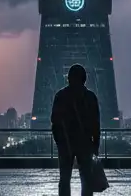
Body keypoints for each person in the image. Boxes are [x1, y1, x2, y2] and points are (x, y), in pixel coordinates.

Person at [51, 63, 101, 196]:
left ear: (68, 78)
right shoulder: (90, 97)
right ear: (84, 79)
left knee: (65, 179)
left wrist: (60, 142)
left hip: (66, 144)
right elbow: (96, 124)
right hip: (85, 144)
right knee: (86, 180)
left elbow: (54, 122)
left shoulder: (60, 96)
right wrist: (95, 144)